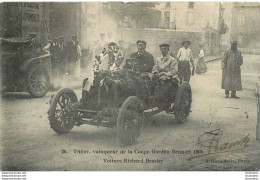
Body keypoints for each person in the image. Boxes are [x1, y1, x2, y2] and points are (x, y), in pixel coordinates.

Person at [152, 44, 179, 110]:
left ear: (168, 50)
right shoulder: (158, 59)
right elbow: (155, 67)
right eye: (162, 49)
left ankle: (165, 101)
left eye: (165, 49)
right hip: (159, 76)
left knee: (165, 82)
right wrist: (155, 73)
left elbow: (174, 70)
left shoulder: (172, 60)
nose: (163, 50)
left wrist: (165, 74)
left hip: (170, 77)